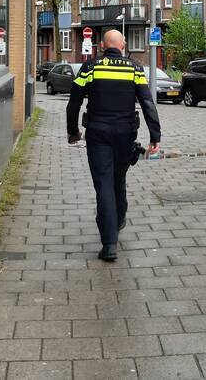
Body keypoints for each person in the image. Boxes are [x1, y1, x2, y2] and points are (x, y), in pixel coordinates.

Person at [67, 30, 160, 262]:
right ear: (123, 45)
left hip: (98, 134)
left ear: (101, 45)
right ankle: (118, 219)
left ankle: (109, 244)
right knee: (118, 178)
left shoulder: (90, 68)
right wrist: (155, 136)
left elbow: (74, 101)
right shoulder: (134, 69)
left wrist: (73, 132)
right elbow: (147, 102)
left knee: (104, 183)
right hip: (125, 134)